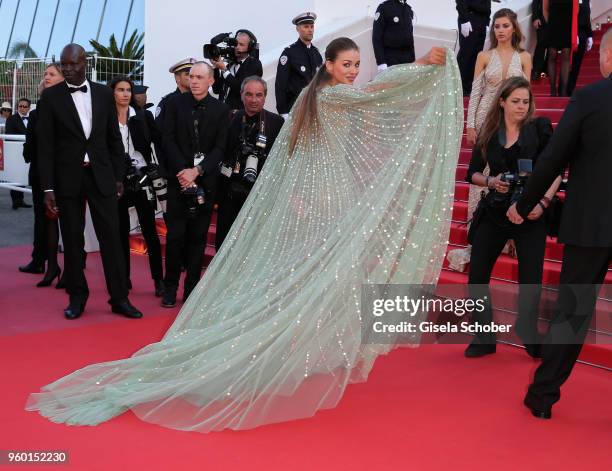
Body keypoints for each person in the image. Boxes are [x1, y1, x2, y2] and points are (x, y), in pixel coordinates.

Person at [26, 39, 461, 433]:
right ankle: (282, 350)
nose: (352, 70)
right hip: (326, 195)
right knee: (314, 277)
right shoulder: (329, 96)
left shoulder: (313, 98)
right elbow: (371, 94)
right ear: (327, 65)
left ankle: (305, 349)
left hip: (328, 192)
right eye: (346, 63)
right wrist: (419, 65)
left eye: (357, 64)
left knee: (318, 276)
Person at [507, 28, 612, 420]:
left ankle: (543, 394)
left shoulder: (589, 98)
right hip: (592, 222)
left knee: (572, 312)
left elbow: (553, 158)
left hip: (590, 223)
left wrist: (525, 201)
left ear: (606, 58)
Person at [36, 43, 142, 320]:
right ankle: (77, 298)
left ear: (86, 63)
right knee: (72, 240)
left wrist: (119, 175)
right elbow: (45, 146)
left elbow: (113, 138)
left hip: (102, 175)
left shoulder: (104, 93)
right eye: (64, 65)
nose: (68, 69)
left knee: (112, 239)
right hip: (67, 178)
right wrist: (48, 188)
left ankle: (119, 298)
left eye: (73, 64)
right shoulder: (51, 98)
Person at [463, 76, 560, 358]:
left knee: (531, 280)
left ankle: (529, 332)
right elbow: (472, 173)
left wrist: (541, 203)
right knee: (477, 276)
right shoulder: (490, 132)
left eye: (525, 101)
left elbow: (555, 171)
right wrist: (492, 182)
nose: (521, 106)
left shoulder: (539, 129)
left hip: (531, 213)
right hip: (495, 211)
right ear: (502, 102)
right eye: (515, 101)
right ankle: (483, 336)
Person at [446, 8, 531, 272]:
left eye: (505, 26)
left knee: (512, 173)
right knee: (481, 178)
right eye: (497, 26)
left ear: (514, 29)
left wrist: (526, 124)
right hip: (486, 120)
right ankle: (478, 234)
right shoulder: (484, 56)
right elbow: (477, 92)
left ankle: (507, 235)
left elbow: (526, 94)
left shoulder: (525, 57)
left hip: (513, 121)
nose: (501, 30)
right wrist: (470, 125)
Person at [160, 62, 229, 307]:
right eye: (191, 77)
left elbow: (220, 147)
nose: (195, 81)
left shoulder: (221, 110)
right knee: (176, 237)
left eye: (200, 77)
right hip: (178, 182)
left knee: (198, 238)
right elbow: (166, 140)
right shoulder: (173, 104)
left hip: (205, 183)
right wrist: (183, 172)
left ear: (211, 81)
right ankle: (170, 289)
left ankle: (191, 290)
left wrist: (197, 171)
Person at [215, 76, 284, 250]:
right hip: (229, 190)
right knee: (224, 241)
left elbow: (280, 160)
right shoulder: (229, 118)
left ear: (265, 96)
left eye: (259, 95)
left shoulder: (276, 123)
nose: (254, 100)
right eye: (249, 94)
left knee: (254, 244)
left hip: (259, 193)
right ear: (241, 95)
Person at [110, 76, 165, 297]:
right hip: (117, 180)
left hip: (141, 177)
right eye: (120, 90)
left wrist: (155, 167)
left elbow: (158, 141)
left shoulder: (142, 117)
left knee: (149, 230)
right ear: (112, 92)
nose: (125, 94)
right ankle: (124, 279)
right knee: (121, 231)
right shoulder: (105, 119)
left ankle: (158, 280)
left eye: (128, 90)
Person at [19, 64, 66, 287]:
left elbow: (29, 149)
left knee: (66, 221)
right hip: (42, 175)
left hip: (59, 173)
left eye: (50, 74)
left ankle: (51, 264)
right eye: (45, 75)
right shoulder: (38, 114)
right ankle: (47, 264)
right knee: (45, 220)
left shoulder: (58, 112)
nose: (46, 78)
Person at [275, 12, 323, 117]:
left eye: (312, 26)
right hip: (295, 109)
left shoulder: (316, 54)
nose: (310, 30)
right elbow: (280, 85)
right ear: (298, 29)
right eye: (306, 27)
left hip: (315, 109)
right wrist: (283, 112)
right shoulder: (289, 53)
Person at [211, 30, 263, 110]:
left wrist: (224, 70)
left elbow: (241, 89)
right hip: (223, 115)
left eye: (241, 45)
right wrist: (215, 67)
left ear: (249, 47)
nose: (237, 47)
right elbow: (216, 89)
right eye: (236, 43)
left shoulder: (254, 65)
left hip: (240, 116)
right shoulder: (229, 66)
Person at [456, 0, 492, 96]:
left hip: (482, 20)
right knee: (466, 54)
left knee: (476, 55)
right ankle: (460, 87)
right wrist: (464, 20)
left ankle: (470, 87)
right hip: (469, 18)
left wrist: (487, 21)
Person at [372, 0, 417, 71]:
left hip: (407, 59)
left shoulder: (408, 10)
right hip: (391, 59)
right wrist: (381, 62)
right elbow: (377, 38)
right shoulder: (384, 8)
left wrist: (413, 60)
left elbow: (410, 39)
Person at [545, 0, 578, 96]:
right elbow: (545, 11)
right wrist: (550, 25)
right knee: (552, 54)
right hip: (552, 24)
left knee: (566, 54)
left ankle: (563, 91)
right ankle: (552, 89)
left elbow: (576, 10)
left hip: (567, 25)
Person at [5, 98, 33, 210]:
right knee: (16, 176)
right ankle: (16, 201)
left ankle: (20, 200)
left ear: (29, 108)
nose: (22, 108)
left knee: (24, 175)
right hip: (16, 151)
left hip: (29, 151)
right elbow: (10, 134)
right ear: (17, 107)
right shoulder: (11, 119)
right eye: (20, 106)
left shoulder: (32, 118)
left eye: (25, 106)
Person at [567, 0, 594, 95]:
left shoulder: (587, 1)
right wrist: (573, 33)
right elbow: (567, 17)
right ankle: (564, 89)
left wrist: (590, 35)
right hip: (571, 33)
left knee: (577, 64)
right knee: (569, 64)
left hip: (582, 34)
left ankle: (570, 89)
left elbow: (587, 19)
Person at [531, 0, 549, 80]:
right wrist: (535, 18)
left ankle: (545, 71)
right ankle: (535, 71)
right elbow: (535, 3)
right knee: (541, 44)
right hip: (542, 20)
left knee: (552, 47)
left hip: (556, 20)